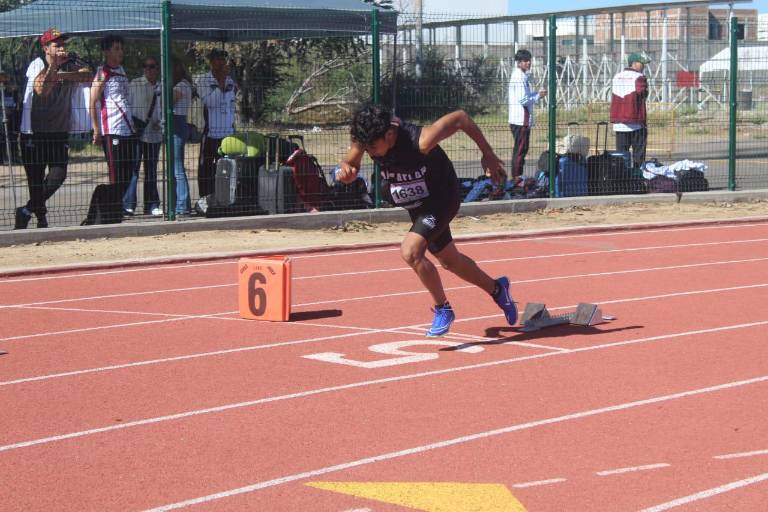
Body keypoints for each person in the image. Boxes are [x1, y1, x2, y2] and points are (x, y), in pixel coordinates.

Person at [336, 104, 518, 337]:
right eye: (365, 147)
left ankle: (443, 309)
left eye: (372, 147)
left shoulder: (421, 140)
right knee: (450, 261)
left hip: (442, 196)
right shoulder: (368, 138)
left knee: (411, 251)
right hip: (418, 202)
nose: (369, 152)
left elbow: (461, 118)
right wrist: (346, 172)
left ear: (389, 135)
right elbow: (349, 163)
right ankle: (497, 288)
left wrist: (488, 154)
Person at [15, 27, 91, 229]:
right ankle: (40, 219)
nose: (61, 49)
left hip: (58, 131)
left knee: (58, 176)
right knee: (36, 180)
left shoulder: (70, 65)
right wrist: (53, 68)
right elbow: (42, 89)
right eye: (57, 45)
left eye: (63, 44)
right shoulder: (36, 65)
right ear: (46, 48)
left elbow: (88, 75)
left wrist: (64, 73)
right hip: (34, 132)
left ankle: (26, 210)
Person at [89, 34, 137, 212]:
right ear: (106, 51)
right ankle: (109, 211)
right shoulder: (103, 73)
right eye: (116, 49)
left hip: (127, 129)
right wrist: (96, 130)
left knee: (127, 174)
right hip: (112, 130)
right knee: (116, 175)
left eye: (121, 48)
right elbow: (92, 102)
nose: (120, 52)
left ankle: (112, 207)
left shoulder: (122, 71)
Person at [124, 56, 163, 216]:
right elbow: (127, 104)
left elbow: (165, 109)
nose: (149, 69)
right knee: (133, 169)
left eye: (152, 66)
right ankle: (128, 204)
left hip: (154, 134)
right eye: (146, 66)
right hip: (136, 132)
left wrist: (159, 122)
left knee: (151, 170)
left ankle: (152, 204)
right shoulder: (135, 84)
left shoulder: (162, 87)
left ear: (157, 69)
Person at [196, 48, 236, 198]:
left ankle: (225, 197)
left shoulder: (230, 80)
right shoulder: (204, 81)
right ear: (211, 62)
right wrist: (220, 81)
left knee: (226, 168)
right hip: (212, 133)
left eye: (223, 60)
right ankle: (205, 198)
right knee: (207, 167)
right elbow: (210, 102)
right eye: (217, 59)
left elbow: (232, 103)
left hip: (228, 133)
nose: (221, 63)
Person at [508, 49, 545, 182]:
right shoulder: (519, 77)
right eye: (525, 61)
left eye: (529, 60)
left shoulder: (522, 76)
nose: (528, 63)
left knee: (521, 148)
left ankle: (517, 176)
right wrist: (538, 96)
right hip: (520, 120)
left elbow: (525, 96)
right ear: (519, 63)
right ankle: (516, 177)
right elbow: (523, 100)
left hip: (521, 119)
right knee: (520, 149)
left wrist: (536, 94)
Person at [610, 52, 650, 168]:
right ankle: (637, 177)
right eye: (641, 63)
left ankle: (622, 179)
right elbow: (642, 93)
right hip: (636, 122)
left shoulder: (617, 76)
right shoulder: (639, 77)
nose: (644, 66)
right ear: (634, 63)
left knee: (622, 155)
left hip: (619, 123)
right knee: (638, 154)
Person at [171, 60, 194, 215]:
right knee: (175, 165)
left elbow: (169, 102)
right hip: (180, 122)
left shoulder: (181, 86)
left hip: (178, 122)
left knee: (178, 166)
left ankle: (183, 204)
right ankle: (181, 202)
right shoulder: (185, 85)